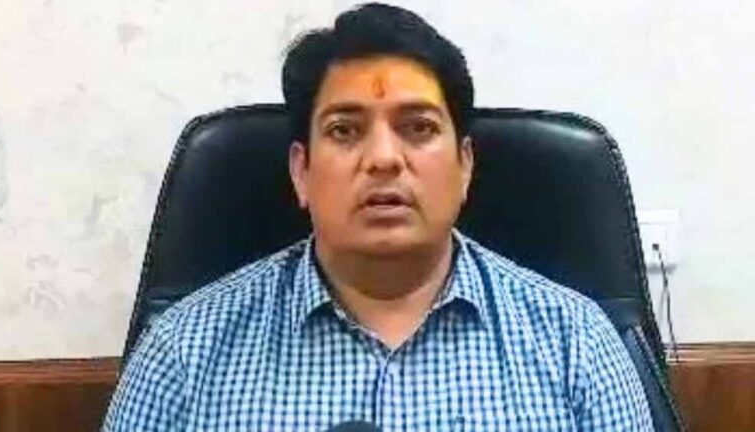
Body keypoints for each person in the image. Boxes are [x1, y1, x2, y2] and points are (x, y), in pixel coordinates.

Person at [103, 3, 654, 431]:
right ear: (301, 170)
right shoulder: (183, 354)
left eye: (418, 128)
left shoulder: (577, 345)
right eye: (345, 130)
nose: (384, 158)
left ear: (464, 165)